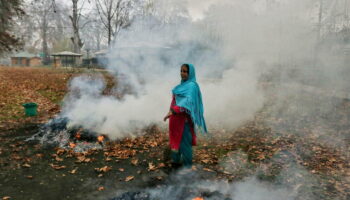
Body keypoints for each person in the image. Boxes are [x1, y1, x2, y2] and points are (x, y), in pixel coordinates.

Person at [164, 63, 207, 168]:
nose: (182, 73)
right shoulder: (180, 86)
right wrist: (170, 112)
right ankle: (176, 164)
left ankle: (187, 170)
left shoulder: (192, 86)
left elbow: (187, 102)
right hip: (174, 120)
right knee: (175, 142)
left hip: (184, 121)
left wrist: (173, 111)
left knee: (185, 144)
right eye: (181, 71)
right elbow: (174, 101)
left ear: (190, 73)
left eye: (185, 71)